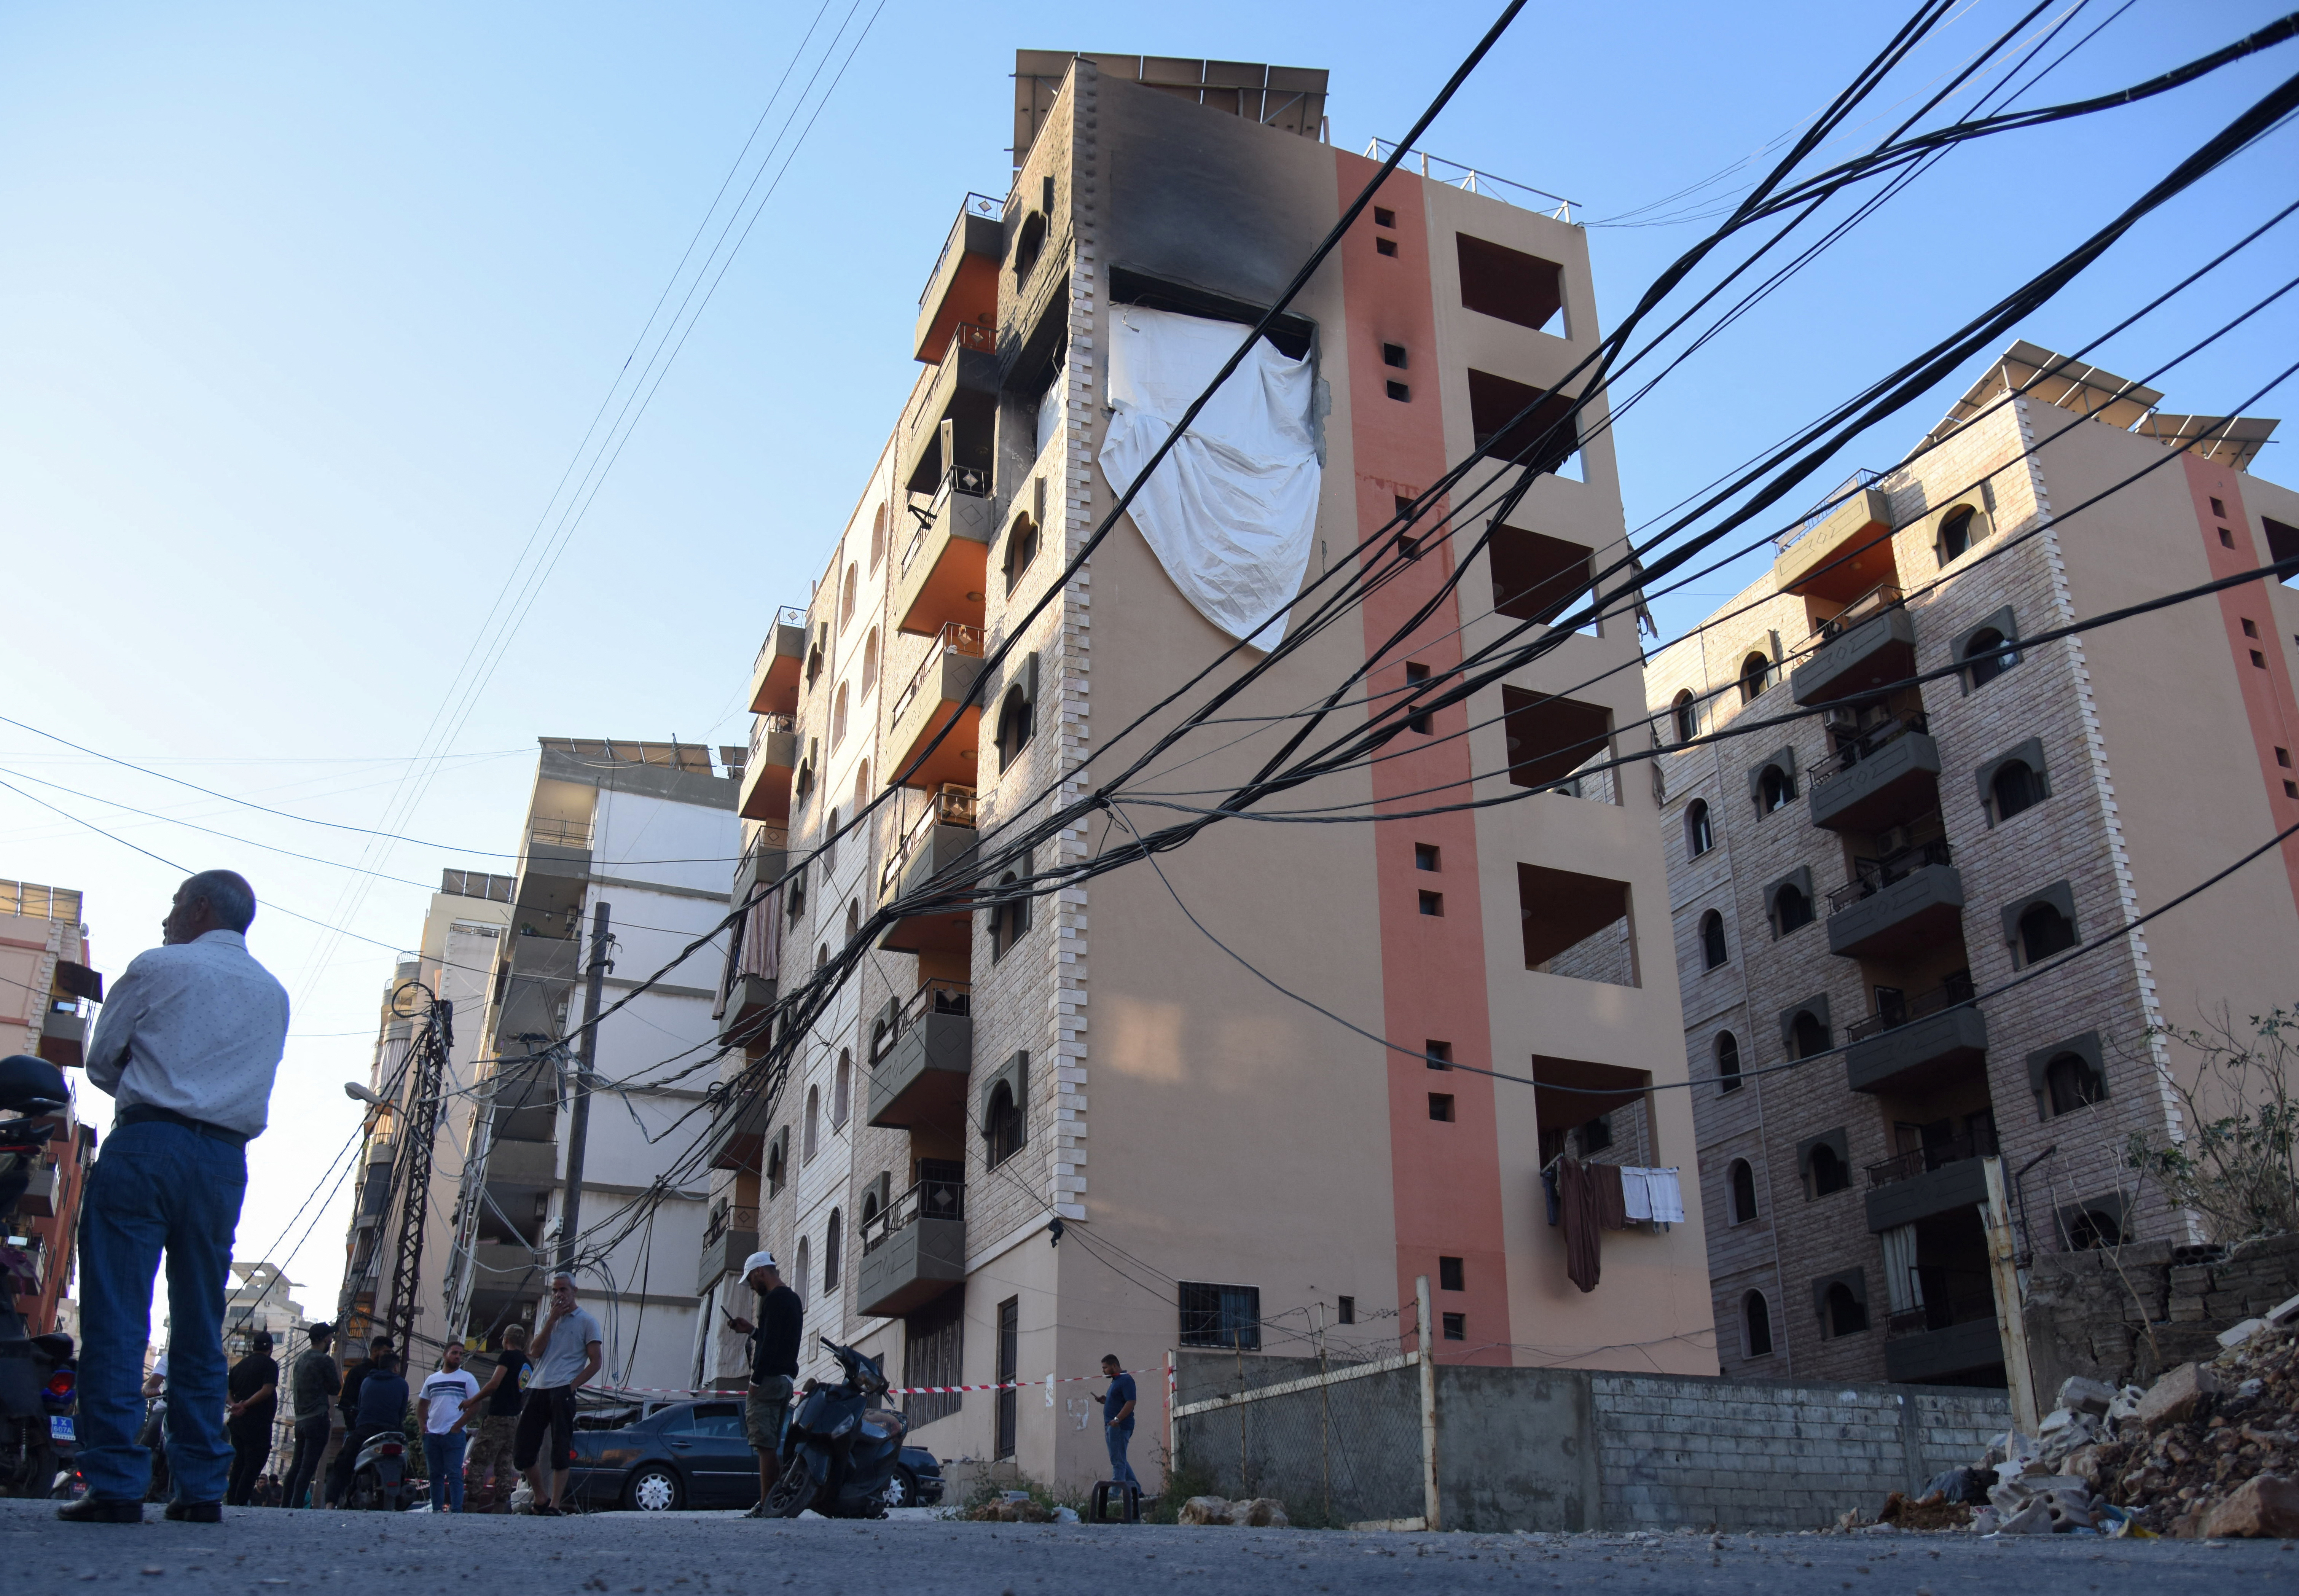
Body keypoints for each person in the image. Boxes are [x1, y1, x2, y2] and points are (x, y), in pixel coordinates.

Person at [63, 871, 290, 1526]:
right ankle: (199, 1484)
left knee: (117, 1310)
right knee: (198, 1319)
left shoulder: (158, 964)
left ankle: (115, 1480)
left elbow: (104, 1061)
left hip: (148, 1142)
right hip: (221, 1160)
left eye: (172, 905)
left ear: (198, 908)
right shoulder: (272, 992)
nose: (165, 917)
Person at [513, 1274, 602, 1515]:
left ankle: (554, 1505)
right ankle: (540, 1497)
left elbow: (596, 1362)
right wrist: (552, 1320)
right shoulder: (548, 1319)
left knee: (560, 1449)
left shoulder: (587, 1322)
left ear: (574, 1290)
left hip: (562, 1389)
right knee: (523, 1451)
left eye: (563, 1289)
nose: (559, 1294)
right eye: (555, 1290)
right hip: (537, 1387)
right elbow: (534, 1351)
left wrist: (572, 1387)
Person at [725, 1250, 801, 1516]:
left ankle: (767, 1505)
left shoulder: (771, 1300)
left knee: (764, 1446)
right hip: (785, 1381)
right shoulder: (792, 1299)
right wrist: (751, 1330)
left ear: (760, 1272)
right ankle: (774, 1502)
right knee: (771, 1445)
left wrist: (755, 1381)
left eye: (751, 1280)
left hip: (767, 1381)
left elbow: (769, 1347)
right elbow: (777, 1340)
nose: (752, 1287)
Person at [460, 1324, 529, 1512]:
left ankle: (472, 1504)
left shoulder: (507, 1357)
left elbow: (494, 1384)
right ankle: (499, 1507)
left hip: (498, 1416)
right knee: (504, 1462)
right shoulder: (527, 1363)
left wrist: (472, 1401)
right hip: (514, 1418)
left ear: (506, 1340)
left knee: (479, 1460)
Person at [325, 1333, 394, 1506]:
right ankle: (331, 1503)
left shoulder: (391, 1377)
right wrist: (353, 1426)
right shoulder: (359, 1373)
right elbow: (347, 1401)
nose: (389, 1356)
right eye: (386, 1352)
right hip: (359, 1428)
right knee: (344, 1464)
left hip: (386, 1431)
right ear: (375, 1351)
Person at [280, 1322, 338, 1510]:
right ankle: (297, 1507)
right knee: (308, 1467)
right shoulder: (324, 1360)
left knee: (297, 1465)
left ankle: (286, 1503)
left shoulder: (301, 1360)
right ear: (325, 1339)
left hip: (301, 1420)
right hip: (317, 1417)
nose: (331, 1340)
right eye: (331, 1337)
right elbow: (335, 1388)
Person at [416, 1343, 480, 1513]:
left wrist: (458, 1426)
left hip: (454, 1434)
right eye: (455, 1353)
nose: (458, 1356)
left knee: (454, 1475)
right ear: (445, 1355)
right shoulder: (432, 1380)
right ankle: (436, 1510)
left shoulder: (467, 1378)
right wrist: (423, 1426)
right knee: (435, 1475)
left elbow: (476, 1406)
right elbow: (422, 1405)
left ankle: (456, 1510)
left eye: (461, 1354)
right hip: (432, 1434)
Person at [224, 1330, 279, 1507]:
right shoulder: (270, 1365)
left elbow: (227, 1390)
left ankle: (232, 1500)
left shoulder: (239, 1366)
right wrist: (245, 1405)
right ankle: (239, 1501)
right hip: (258, 1422)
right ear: (270, 1348)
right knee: (254, 1463)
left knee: (240, 1462)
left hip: (238, 1422)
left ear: (253, 1347)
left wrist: (234, 1405)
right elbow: (267, 1390)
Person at [351, 1349, 409, 1452]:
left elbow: (360, 1406)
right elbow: (402, 1413)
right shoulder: (402, 1384)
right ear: (396, 1367)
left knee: (345, 1462)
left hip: (364, 1430)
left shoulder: (367, 1381)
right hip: (391, 1432)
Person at [1098, 1355, 1139, 1488]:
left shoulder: (1126, 1380)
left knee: (1117, 1461)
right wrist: (1106, 1401)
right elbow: (1119, 1401)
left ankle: (1114, 1494)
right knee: (1121, 1460)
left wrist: (1117, 1420)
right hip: (1112, 1426)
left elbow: (1131, 1402)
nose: (1103, 1371)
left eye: (1105, 1368)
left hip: (1120, 1427)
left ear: (1114, 1366)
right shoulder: (1116, 1381)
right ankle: (1136, 1491)